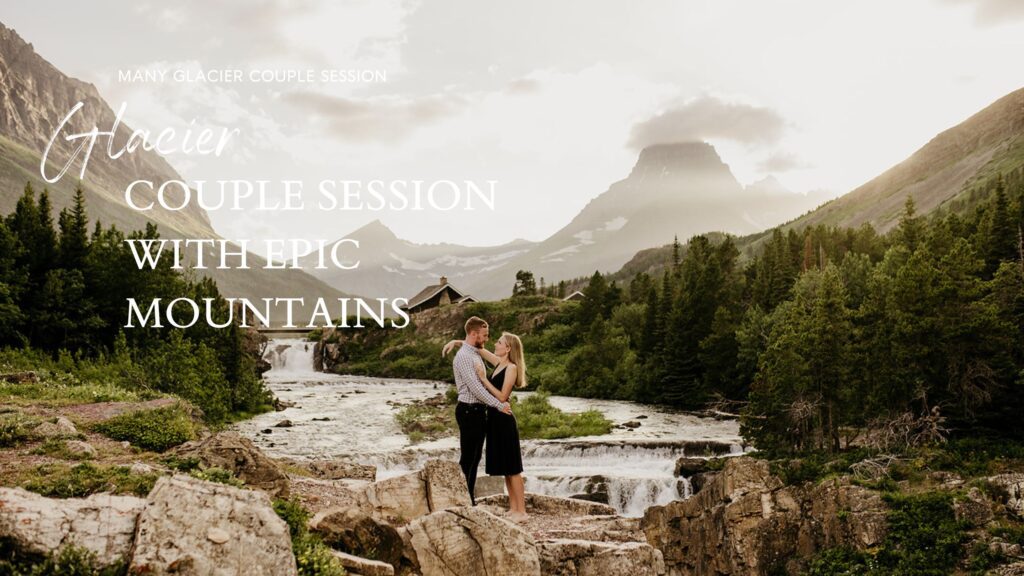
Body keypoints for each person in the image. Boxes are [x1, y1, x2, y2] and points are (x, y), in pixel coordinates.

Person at [444, 332, 528, 522]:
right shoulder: (499, 363)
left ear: (508, 348)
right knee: (507, 467)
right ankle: (513, 509)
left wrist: (483, 380)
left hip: (504, 420)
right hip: (495, 420)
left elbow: (502, 397)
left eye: (499, 342)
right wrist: (457, 342)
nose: (495, 344)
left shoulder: (512, 368)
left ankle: (521, 511)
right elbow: (478, 349)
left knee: (513, 468)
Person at [450, 316, 511, 506]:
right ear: (474, 333)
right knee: (468, 458)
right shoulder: (464, 357)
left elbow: (484, 381)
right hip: (469, 411)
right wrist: (499, 405)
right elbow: (476, 389)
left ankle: (468, 498)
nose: (486, 339)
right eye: (484, 335)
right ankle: (462, 499)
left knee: (475, 458)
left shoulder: (474, 353)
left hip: (476, 411)